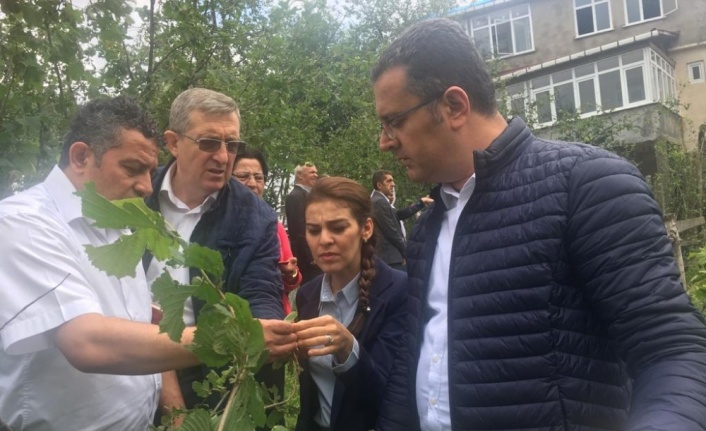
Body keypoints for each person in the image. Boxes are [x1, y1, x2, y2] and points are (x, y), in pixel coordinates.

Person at [372, 18, 706, 431]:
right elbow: (415, 363)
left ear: (453, 106)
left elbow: (671, 350)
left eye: (394, 122)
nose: (385, 142)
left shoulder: (586, 185)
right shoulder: (426, 230)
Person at [0, 96, 201, 430]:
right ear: (81, 156)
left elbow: (144, 334)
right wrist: (224, 340)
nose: (146, 187)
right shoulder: (22, 224)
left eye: (151, 172)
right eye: (133, 168)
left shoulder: (114, 224)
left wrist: (178, 420)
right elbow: (87, 342)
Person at [144, 88, 297, 414]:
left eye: (233, 145)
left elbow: (262, 292)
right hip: (125, 362)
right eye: (209, 143)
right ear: (173, 143)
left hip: (208, 373)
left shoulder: (255, 217)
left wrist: (263, 329)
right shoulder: (138, 193)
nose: (224, 157)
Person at [292, 176, 407, 431]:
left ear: (366, 228)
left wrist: (348, 349)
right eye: (314, 230)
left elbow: (388, 396)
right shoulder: (308, 295)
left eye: (338, 227)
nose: (324, 240)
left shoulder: (399, 292)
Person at [233, 147, 302, 314]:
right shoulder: (216, 221)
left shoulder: (273, 225)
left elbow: (291, 281)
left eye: (258, 178)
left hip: (271, 311)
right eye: (243, 177)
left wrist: (290, 274)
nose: (252, 183)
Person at [285, 162, 321, 283]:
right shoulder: (295, 197)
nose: (316, 175)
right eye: (312, 172)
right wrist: (312, 257)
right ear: (300, 175)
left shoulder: (311, 195)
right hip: (308, 261)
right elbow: (298, 231)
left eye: (316, 172)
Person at [370, 170, 406, 269]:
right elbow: (392, 231)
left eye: (393, 181)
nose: (393, 184)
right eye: (389, 181)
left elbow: (397, 215)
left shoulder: (378, 201)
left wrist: (420, 203)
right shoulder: (379, 202)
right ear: (379, 185)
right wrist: (406, 252)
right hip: (390, 259)